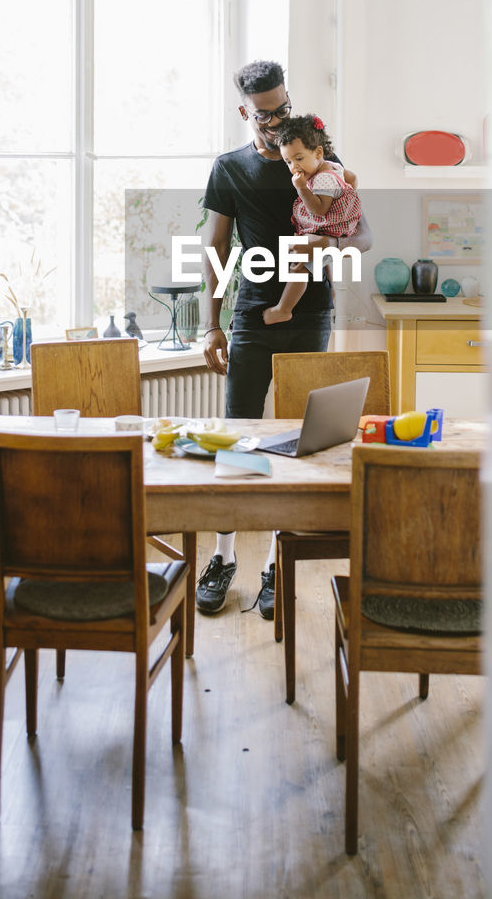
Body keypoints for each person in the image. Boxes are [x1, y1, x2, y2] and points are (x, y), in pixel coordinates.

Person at [196, 60, 372, 619]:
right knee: (239, 440)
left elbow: (362, 236)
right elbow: (216, 251)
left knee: (298, 441)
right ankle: (224, 558)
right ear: (244, 111)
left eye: (283, 107)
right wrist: (210, 322)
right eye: (264, 113)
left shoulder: (324, 162)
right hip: (250, 315)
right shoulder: (229, 168)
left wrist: (330, 247)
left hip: (310, 312)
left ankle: (276, 565)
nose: (276, 121)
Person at [262, 113, 361, 325]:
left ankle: (284, 308)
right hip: (330, 231)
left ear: (318, 152)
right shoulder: (332, 168)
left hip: (326, 230)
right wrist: (347, 189)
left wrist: (301, 188)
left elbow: (318, 210)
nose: (294, 167)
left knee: (299, 267)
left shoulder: (324, 178)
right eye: (288, 161)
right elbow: (352, 177)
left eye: (299, 159)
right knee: (320, 264)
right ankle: (332, 290)